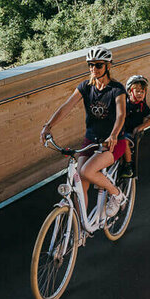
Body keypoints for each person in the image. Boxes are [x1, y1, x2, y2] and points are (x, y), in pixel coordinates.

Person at [39, 45, 128, 216]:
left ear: (108, 66)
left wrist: (114, 134)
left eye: (98, 65)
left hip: (112, 142)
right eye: (90, 65)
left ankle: (117, 195)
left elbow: (121, 115)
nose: (93, 69)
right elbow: (66, 107)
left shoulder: (117, 89)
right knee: (80, 185)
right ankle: (81, 231)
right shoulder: (86, 87)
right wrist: (48, 126)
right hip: (91, 140)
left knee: (86, 171)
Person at [119, 74, 150, 178]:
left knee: (124, 141)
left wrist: (140, 127)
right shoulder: (123, 102)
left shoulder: (142, 106)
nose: (140, 93)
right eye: (137, 91)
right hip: (120, 130)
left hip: (131, 134)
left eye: (143, 91)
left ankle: (128, 165)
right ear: (130, 91)